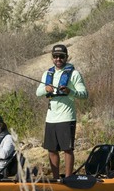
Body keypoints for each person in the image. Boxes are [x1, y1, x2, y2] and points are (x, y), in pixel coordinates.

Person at [36, 44, 88, 179]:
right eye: (55, 56)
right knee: (52, 150)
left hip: (67, 117)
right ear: (52, 57)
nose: (58, 59)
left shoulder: (75, 74)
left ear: (66, 57)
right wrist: (45, 89)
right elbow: (38, 92)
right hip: (50, 118)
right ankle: (56, 179)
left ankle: (69, 178)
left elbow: (84, 94)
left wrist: (70, 91)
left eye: (61, 56)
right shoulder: (47, 74)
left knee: (67, 149)